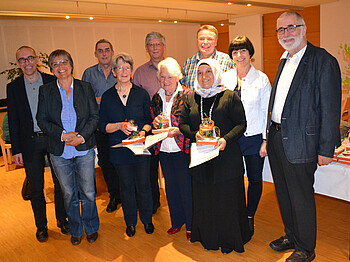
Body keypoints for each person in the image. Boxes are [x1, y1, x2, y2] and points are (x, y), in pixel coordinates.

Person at [266, 11, 341, 262]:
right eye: (281, 30)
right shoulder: (283, 61)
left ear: (304, 28)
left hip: (303, 142)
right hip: (278, 139)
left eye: (291, 28)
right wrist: (268, 136)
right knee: (284, 194)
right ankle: (291, 236)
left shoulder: (322, 61)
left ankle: (306, 248)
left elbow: (330, 109)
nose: (286, 34)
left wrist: (326, 149)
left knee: (301, 197)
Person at [179, 59, 251, 254]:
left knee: (225, 200)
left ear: (216, 73)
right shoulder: (192, 98)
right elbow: (182, 124)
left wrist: (226, 139)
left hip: (225, 158)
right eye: (200, 73)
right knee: (205, 200)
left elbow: (241, 123)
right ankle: (208, 237)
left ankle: (229, 240)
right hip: (201, 159)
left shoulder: (229, 96)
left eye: (208, 72)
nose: (204, 76)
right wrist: (195, 135)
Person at [37, 49, 100, 246]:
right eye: (55, 64)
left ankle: (91, 227)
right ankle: (75, 229)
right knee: (68, 193)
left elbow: (94, 117)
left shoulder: (85, 87)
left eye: (64, 62)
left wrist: (81, 137)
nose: (60, 67)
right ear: (51, 69)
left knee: (88, 192)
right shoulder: (45, 91)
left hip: (84, 148)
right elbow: (42, 119)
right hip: (59, 151)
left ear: (71, 65)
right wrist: (62, 135)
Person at [7, 46, 69, 242]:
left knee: (60, 183)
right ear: (18, 64)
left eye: (30, 58)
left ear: (37, 60)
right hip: (29, 143)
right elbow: (14, 120)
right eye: (22, 60)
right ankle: (41, 226)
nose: (27, 63)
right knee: (36, 187)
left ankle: (62, 219)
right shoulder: (14, 87)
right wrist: (16, 149)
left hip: (53, 138)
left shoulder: (51, 80)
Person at [99, 53, 154, 237]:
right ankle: (130, 222)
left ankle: (147, 220)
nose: (124, 71)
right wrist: (118, 126)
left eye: (127, 68)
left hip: (140, 148)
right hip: (118, 150)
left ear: (131, 71)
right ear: (114, 72)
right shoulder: (107, 97)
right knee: (126, 188)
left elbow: (148, 120)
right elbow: (102, 126)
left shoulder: (141, 93)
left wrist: (143, 132)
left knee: (144, 186)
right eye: (120, 68)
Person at [222, 36, 271, 236]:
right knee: (232, 177)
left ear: (250, 53)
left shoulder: (261, 78)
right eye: (235, 51)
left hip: (254, 138)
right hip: (231, 137)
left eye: (243, 51)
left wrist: (266, 141)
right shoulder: (225, 77)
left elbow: (267, 111)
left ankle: (250, 216)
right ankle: (236, 213)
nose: (239, 55)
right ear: (231, 55)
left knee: (255, 179)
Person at [150, 57, 192, 240]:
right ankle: (176, 222)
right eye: (162, 77)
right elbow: (152, 120)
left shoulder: (188, 95)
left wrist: (179, 129)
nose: (165, 81)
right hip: (164, 149)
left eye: (169, 77)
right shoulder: (156, 97)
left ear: (177, 77)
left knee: (186, 188)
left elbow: (193, 122)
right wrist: (155, 122)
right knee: (171, 188)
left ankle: (191, 225)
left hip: (183, 149)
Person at [82, 39, 121, 213]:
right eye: (100, 51)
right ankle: (114, 196)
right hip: (99, 127)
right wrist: (105, 100)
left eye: (107, 50)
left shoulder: (120, 70)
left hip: (121, 125)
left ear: (112, 52)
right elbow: (83, 100)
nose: (104, 53)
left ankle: (126, 194)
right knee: (106, 163)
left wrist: (99, 100)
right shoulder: (89, 74)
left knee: (122, 162)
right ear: (95, 54)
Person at [133, 32, 166, 214]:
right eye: (151, 45)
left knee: (171, 167)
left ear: (163, 47)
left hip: (171, 129)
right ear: (147, 49)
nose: (155, 48)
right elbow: (137, 101)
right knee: (151, 168)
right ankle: (154, 202)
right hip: (151, 129)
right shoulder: (139, 72)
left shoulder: (172, 66)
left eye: (158, 44)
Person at [181, 25, 234, 90]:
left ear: (216, 42)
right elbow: (183, 88)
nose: (205, 42)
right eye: (201, 39)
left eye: (210, 39)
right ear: (197, 41)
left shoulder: (227, 61)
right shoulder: (189, 62)